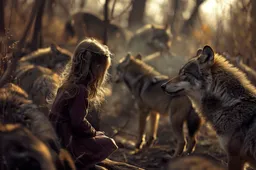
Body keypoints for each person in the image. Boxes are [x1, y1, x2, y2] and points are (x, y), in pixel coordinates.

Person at [49, 38, 118, 170]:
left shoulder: (67, 85)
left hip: (54, 135)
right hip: (66, 140)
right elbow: (77, 122)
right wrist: (92, 132)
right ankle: (78, 163)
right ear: (97, 68)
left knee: (99, 135)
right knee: (108, 142)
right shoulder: (80, 90)